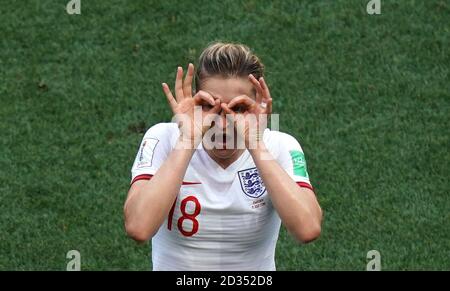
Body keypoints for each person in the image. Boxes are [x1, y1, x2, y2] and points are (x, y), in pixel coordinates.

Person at [124, 42, 322, 270]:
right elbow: (139, 227)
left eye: (238, 109)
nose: (224, 125)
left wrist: (255, 143)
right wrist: (188, 140)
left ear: (257, 103)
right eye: (211, 106)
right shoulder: (164, 139)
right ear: (196, 101)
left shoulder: (278, 147)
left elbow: (308, 229)